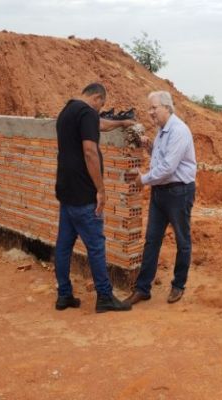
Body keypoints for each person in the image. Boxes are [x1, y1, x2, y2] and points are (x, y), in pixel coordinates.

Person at [54, 82, 134, 313]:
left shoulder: (68, 110)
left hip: (66, 191)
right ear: (98, 98)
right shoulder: (88, 112)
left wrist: (121, 122)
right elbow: (90, 152)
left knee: (63, 246)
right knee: (96, 247)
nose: (100, 110)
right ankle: (105, 297)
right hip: (84, 194)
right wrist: (101, 189)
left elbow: (99, 125)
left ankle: (64, 295)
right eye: (102, 105)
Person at [126, 91, 196, 306]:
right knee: (152, 240)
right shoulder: (162, 131)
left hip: (179, 193)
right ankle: (142, 288)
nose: (150, 112)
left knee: (182, 241)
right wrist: (150, 147)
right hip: (160, 193)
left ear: (167, 107)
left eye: (154, 108)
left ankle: (178, 285)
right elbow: (161, 158)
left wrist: (143, 180)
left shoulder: (179, 131)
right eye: (150, 108)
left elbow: (168, 167)